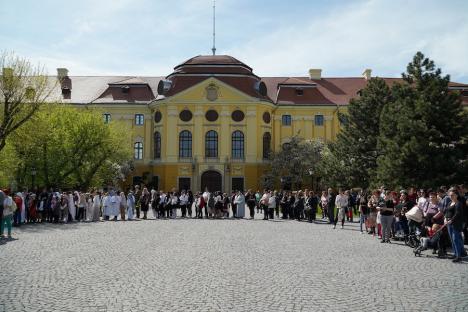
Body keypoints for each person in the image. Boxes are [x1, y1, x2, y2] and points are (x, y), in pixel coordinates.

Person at [445, 189, 464, 263]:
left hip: (456, 224)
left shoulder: (458, 203)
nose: (451, 196)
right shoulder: (450, 202)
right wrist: (445, 218)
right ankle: (455, 253)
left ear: (456, 195)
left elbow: (457, 214)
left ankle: (458, 256)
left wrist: (451, 220)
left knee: (455, 239)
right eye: (450, 195)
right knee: (452, 239)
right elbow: (447, 211)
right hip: (448, 223)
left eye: (452, 195)